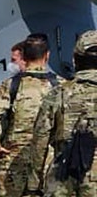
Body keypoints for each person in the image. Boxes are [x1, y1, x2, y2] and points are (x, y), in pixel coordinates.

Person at [0, 34, 63, 197]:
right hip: (46, 162)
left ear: (24, 56)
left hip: (12, 159)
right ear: (47, 55)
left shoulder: (11, 85)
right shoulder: (59, 86)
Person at [26, 30, 97, 196]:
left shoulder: (59, 93)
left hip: (63, 177)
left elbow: (40, 140)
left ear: (76, 59)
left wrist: (33, 185)